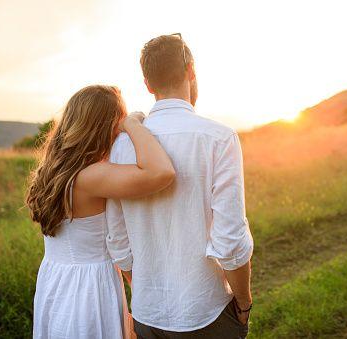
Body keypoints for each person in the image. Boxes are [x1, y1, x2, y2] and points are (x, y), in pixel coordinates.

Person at [106, 34, 254, 338]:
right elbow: (228, 241)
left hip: (148, 315)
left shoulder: (121, 147)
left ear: (147, 84)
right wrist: (244, 301)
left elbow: (118, 240)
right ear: (191, 71)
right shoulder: (220, 139)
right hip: (207, 313)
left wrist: (149, 292)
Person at [27, 85, 175, 339]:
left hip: (56, 280)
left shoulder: (54, 171)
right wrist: (134, 125)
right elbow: (162, 172)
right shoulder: (90, 175)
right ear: (105, 127)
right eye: (119, 123)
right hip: (88, 290)